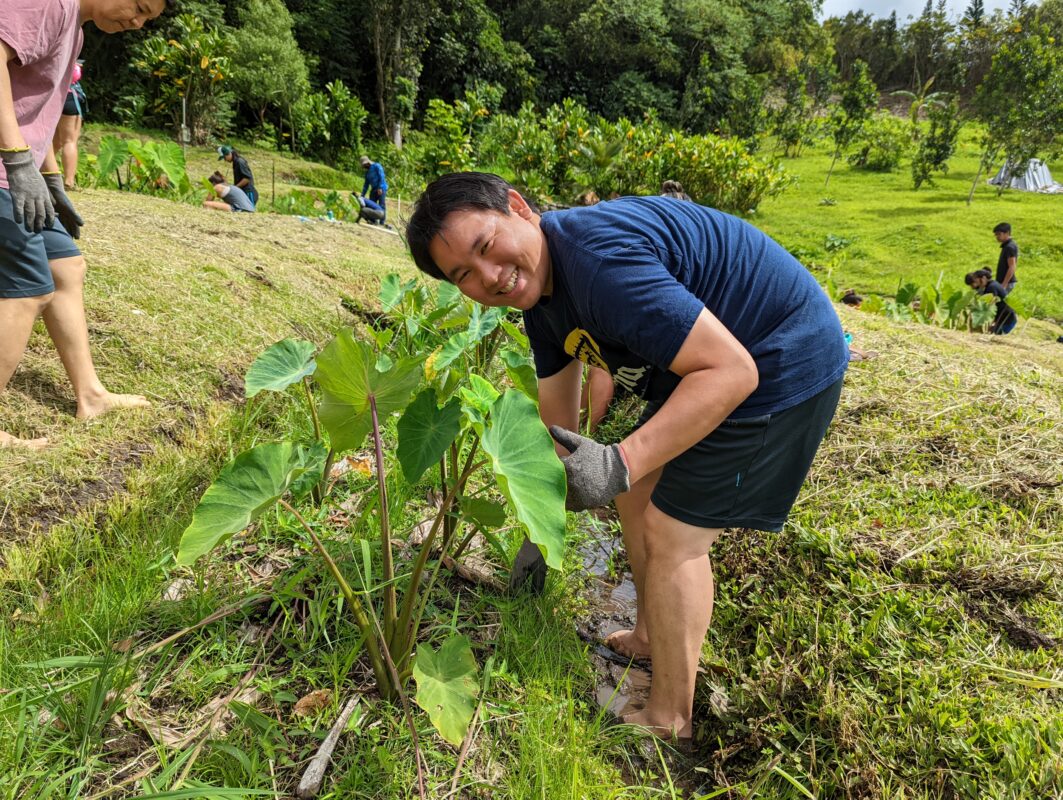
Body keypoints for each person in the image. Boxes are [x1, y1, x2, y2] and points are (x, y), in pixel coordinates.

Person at [406, 172, 848, 739]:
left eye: (486, 246)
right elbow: (557, 425)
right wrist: (539, 523)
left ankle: (670, 718)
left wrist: (615, 463)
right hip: (711, 360)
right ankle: (647, 634)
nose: (489, 277)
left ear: (518, 208)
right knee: (639, 489)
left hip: (780, 355)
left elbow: (732, 371)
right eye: (463, 274)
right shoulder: (542, 300)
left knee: (672, 531)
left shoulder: (596, 263)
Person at [1, 0, 162, 449]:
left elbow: (38, 108)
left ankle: (90, 395)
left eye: (148, 19)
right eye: (138, 7)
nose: (136, 22)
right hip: (3, 171)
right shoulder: (47, 4)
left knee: (67, 267)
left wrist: (50, 178)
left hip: (23, 173)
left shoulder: (76, 28)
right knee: (30, 287)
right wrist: (16, 159)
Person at [52, 58, 86, 190]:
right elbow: (75, 75)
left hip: (52, 96)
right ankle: (69, 181)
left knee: (54, 141)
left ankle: (43, 172)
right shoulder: (70, 56)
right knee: (69, 141)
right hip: (69, 96)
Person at [965, 268, 1017, 335]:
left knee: (994, 335)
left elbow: (991, 307)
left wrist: (992, 323)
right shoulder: (992, 284)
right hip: (1003, 318)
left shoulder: (991, 288)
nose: (977, 284)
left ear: (983, 278)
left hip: (1006, 320)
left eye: (976, 281)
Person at [359, 155, 388, 224]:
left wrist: (380, 188)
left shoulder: (377, 166)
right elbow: (366, 185)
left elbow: (382, 176)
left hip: (381, 188)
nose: (364, 167)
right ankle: (373, 220)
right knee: (372, 204)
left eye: (365, 165)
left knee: (382, 205)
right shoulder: (367, 173)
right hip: (373, 189)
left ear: (368, 163)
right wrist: (362, 195)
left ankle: (382, 222)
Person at [993, 222, 1017, 296]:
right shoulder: (1006, 246)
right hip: (1003, 282)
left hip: (1006, 283)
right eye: (996, 234)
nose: (997, 236)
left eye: (999, 234)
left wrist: (1004, 284)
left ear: (1007, 233)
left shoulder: (1009, 247)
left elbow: (1012, 266)